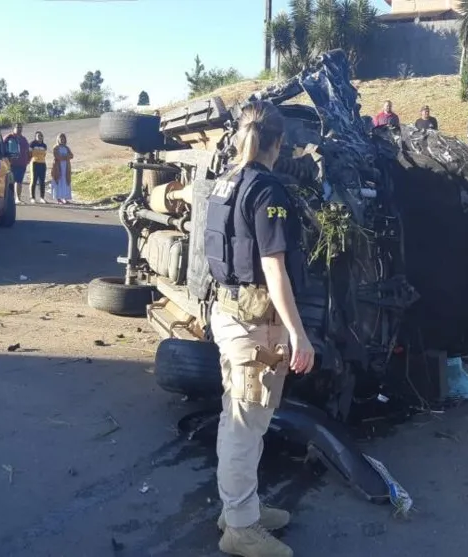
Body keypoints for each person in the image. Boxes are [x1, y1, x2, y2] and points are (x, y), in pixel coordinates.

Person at [205, 101, 314, 557]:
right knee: (245, 426)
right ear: (280, 143)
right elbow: (274, 269)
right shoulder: (268, 190)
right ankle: (240, 528)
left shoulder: (225, 182)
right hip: (256, 324)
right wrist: (298, 333)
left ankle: (238, 507)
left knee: (239, 414)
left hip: (228, 313)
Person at [4, 123, 30, 204]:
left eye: (20, 127)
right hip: (11, 164)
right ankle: (9, 199)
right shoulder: (9, 137)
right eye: (17, 127)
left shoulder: (24, 139)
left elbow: (28, 151)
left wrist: (27, 161)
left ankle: (18, 198)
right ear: (14, 128)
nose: (19, 129)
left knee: (19, 182)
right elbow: (2, 146)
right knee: (10, 182)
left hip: (22, 164)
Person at [50, 133, 73, 204]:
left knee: (65, 181)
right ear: (58, 139)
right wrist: (66, 157)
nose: (62, 140)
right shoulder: (56, 148)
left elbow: (71, 155)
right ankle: (58, 198)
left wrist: (65, 157)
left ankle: (65, 198)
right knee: (58, 181)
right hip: (58, 167)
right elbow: (57, 156)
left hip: (66, 167)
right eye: (61, 138)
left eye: (63, 138)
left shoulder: (67, 148)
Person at [29, 131, 48, 204]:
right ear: (35, 137)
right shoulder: (32, 144)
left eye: (41, 136)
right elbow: (30, 153)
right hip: (34, 163)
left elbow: (44, 155)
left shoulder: (44, 145)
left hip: (42, 164)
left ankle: (42, 197)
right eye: (38, 136)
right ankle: (32, 197)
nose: (39, 137)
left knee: (42, 181)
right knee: (33, 180)